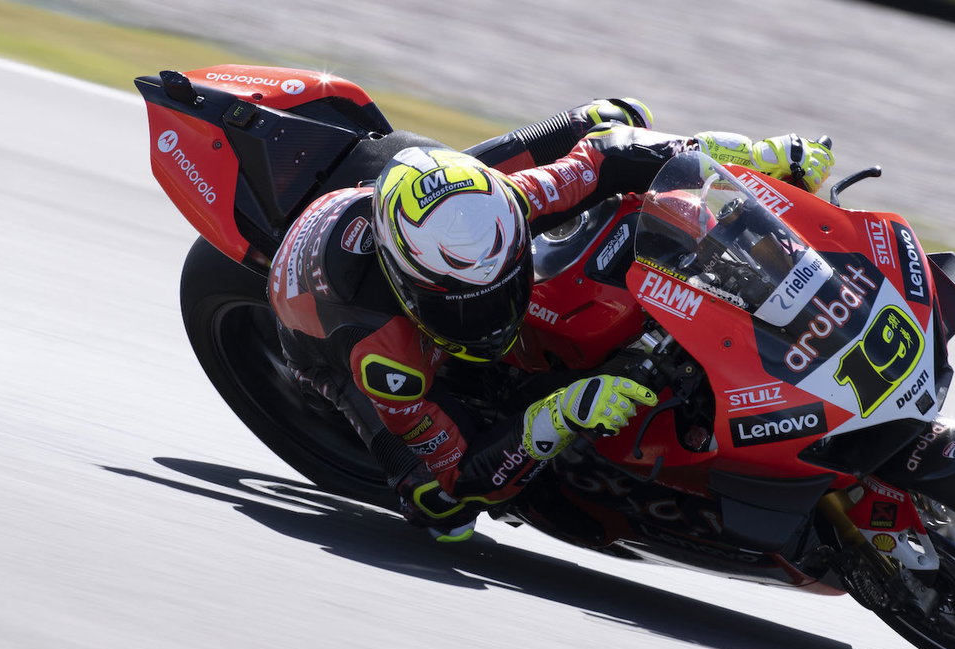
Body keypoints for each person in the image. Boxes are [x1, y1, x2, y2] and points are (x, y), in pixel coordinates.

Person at [268, 99, 835, 541]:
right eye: (464, 301)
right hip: (316, 330)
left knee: (611, 116)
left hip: (415, 205)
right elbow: (457, 476)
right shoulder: (380, 352)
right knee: (442, 513)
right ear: (409, 285)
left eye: (498, 283)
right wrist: (564, 411)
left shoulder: (511, 202)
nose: (488, 314)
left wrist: (757, 155)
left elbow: (607, 154)